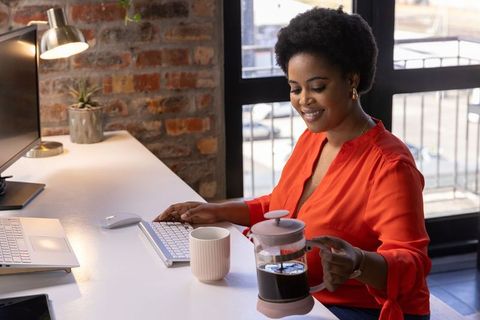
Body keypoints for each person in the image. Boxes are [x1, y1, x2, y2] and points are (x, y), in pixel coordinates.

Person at [156, 6, 431, 320]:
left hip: (358, 309)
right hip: (299, 295)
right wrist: (217, 209)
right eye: (295, 89)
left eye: (317, 87)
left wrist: (357, 262)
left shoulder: (390, 166)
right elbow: (281, 206)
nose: (303, 100)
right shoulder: (314, 138)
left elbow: (413, 263)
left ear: (351, 80)